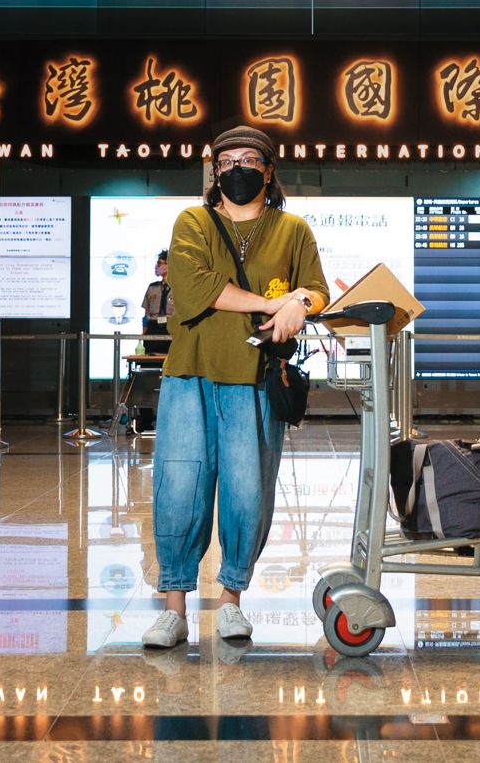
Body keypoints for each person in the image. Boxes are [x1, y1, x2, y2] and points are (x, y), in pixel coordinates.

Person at [143, 126, 328, 650]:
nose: (237, 169)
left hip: (254, 378)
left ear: (269, 171)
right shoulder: (194, 221)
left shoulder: (292, 229)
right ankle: (174, 607)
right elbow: (194, 286)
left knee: (248, 491)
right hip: (191, 374)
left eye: (249, 160)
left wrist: (300, 304)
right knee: (180, 487)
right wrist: (271, 303)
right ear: (214, 172)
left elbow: (316, 287)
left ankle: (231, 599)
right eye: (226, 162)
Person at [141, 249, 173, 355]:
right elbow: (146, 314)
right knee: (150, 359)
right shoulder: (152, 287)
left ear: (169, 265)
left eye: (159, 263)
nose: (156, 266)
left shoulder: (179, 288)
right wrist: (143, 334)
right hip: (153, 328)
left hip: (171, 328)